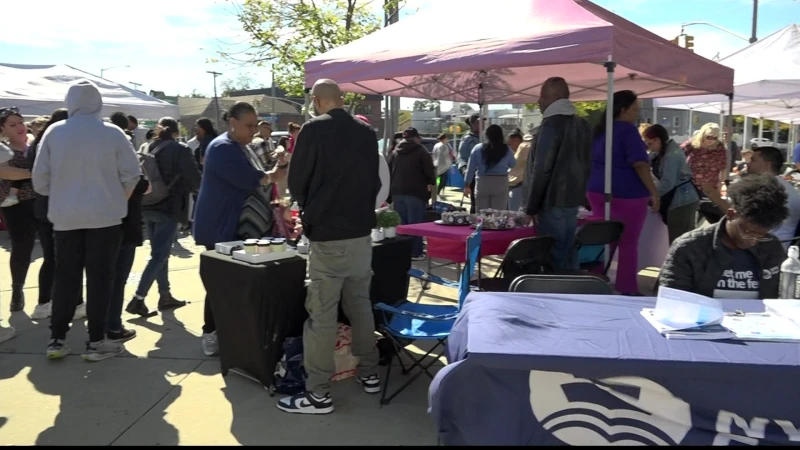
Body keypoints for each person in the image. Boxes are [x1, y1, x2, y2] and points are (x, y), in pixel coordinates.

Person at [280, 78, 381, 415]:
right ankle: (369, 373)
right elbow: (376, 181)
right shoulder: (367, 134)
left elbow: (297, 181)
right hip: (360, 235)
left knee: (321, 317)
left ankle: (318, 393)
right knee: (361, 307)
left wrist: (311, 207)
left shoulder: (313, 130)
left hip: (328, 236)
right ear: (341, 99)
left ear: (316, 100)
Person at [32, 79, 142, 361]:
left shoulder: (55, 132)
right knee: (100, 279)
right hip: (105, 218)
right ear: (98, 102)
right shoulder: (113, 133)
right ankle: (96, 342)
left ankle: (57, 339)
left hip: (65, 217)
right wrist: (117, 198)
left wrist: (62, 194)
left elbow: (39, 181)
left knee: (65, 276)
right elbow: (133, 174)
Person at [193, 102, 282, 356]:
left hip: (234, 225)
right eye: (249, 125)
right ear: (232, 122)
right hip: (223, 226)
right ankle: (211, 332)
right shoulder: (223, 147)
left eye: (255, 125)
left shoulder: (238, 146)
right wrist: (275, 174)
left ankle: (228, 331)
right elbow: (251, 179)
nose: (254, 130)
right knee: (220, 284)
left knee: (232, 284)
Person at [659, 174, 787, 299]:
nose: (753, 240)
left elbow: (781, 296)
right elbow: (672, 300)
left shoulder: (771, 247)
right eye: (747, 232)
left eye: (761, 235)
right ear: (731, 215)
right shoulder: (690, 247)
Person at [125, 117, 201, 318]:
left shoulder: (149, 147)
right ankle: (138, 298)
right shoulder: (180, 149)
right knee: (159, 255)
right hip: (169, 206)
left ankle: (165, 295)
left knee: (160, 254)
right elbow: (195, 179)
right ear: (176, 132)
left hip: (148, 203)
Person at [586, 90, 659, 294]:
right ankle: (627, 287)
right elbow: (639, 163)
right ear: (623, 109)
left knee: (602, 239)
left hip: (597, 190)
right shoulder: (627, 131)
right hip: (628, 194)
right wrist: (653, 191)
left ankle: (594, 280)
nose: (637, 113)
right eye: (635, 108)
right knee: (628, 243)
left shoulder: (599, 131)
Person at [524, 77, 592, 271]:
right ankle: (571, 291)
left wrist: (531, 207)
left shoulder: (551, 125)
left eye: (542, 96)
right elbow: (588, 164)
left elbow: (542, 169)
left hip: (551, 202)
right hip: (571, 200)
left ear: (554, 97)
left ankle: (559, 292)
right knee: (568, 250)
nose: (539, 101)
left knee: (554, 255)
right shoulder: (581, 125)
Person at [0, 107, 59, 315]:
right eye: (12, 124)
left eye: (20, 122)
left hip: (41, 202)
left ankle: (46, 298)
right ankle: (17, 290)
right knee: (22, 249)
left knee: (50, 251)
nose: (19, 127)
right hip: (16, 206)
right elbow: (6, 171)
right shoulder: (4, 149)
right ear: (3, 130)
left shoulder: (36, 144)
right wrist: (38, 173)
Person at [27, 109, 70, 321]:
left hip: (43, 207)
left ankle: (45, 302)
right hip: (56, 207)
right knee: (63, 259)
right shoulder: (55, 142)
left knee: (51, 258)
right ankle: (52, 302)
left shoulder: (39, 142)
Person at [643, 124, 699, 244]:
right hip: (680, 199)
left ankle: (682, 263)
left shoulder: (671, 155)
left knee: (679, 242)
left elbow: (668, 183)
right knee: (679, 241)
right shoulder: (663, 151)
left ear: (657, 140)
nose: (648, 147)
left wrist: (651, 196)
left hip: (682, 202)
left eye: (649, 143)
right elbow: (646, 161)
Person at [387, 127, 436, 260]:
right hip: (415, 191)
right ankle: (416, 252)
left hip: (397, 191)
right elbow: (429, 169)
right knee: (416, 224)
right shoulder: (421, 151)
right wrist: (432, 181)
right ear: (415, 138)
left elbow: (389, 170)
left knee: (402, 225)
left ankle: (403, 252)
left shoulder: (395, 151)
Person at [746, 146, 800, 249]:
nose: (747, 163)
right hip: (772, 244)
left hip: (769, 249)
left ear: (767, 165)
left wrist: (715, 196)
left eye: (753, 160)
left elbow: (747, 224)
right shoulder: (781, 185)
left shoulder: (769, 189)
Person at [464, 124, 516, 210]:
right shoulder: (506, 149)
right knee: (499, 215)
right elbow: (513, 164)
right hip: (500, 183)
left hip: (482, 182)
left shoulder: (477, 148)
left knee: (482, 214)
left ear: (486, 135)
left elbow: (470, 169)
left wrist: (467, 186)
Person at [683, 122, 729, 215]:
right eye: (709, 137)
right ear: (703, 134)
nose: (711, 140)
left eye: (715, 138)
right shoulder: (692, 144)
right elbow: (678, 154)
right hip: (691, 183)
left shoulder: (719, 147)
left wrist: (722, 182)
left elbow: (723, 166)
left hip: (710, 185)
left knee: (709, 211)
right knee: (691, 210)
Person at [458, 114, 481, 213]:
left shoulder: (485, 137)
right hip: (473, 176)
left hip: (485, 175)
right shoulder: (468, 139)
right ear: (472, 124)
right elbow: (462, 157)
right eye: (478, 123)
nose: (481, 125)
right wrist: (465, 171)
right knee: (475, 205)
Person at [507, 129, 529, 211]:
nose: (509, 146)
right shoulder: (515, 153)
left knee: (514, 215)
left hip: (519, 186)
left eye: (510, 143)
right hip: (514, 186)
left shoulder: (524, 149)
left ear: (516, 140)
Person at [431, 133, 452, 202]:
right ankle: (437, 193)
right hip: (443, 166)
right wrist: (449, 165)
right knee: (443, 181)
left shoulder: (436, 145)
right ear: (444, 138)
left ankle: (435, 193)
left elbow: (433, 154)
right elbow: (446, 157)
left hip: (435, 164)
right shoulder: (444, 146)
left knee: (436, 180)